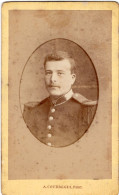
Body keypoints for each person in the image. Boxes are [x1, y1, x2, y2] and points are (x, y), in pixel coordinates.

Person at [23, 51, 97, 147]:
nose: (53, 79)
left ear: (72, 78)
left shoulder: (87, 110)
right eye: (48, 73)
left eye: (60, 73)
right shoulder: (32, 110)